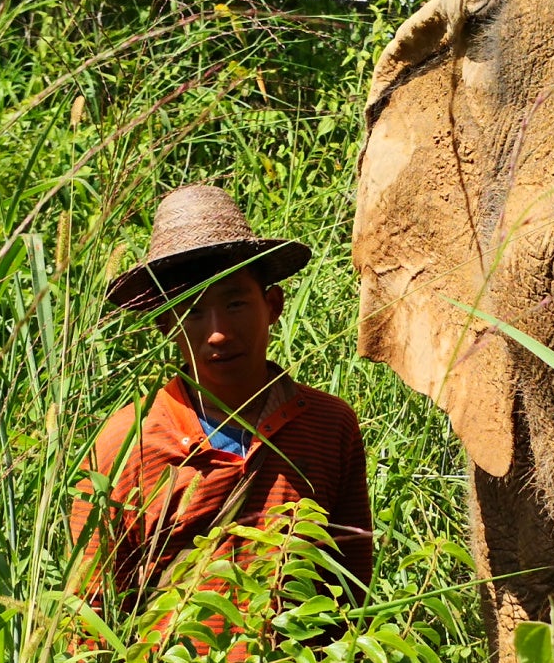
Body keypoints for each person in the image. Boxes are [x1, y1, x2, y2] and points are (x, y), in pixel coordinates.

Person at [69, 184, 374, 620]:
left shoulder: (329, 425)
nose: (217, 332)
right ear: (164, 326)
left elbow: (351, 586)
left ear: (272, 305)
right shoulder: (125, 445)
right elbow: (90, 607)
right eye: (192, 310)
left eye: (235, 303)